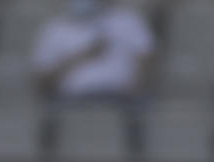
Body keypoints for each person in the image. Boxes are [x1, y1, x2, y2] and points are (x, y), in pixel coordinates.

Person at [30, 0, 156, 151]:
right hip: (70, 100)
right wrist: (80, 57)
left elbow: (147, 59)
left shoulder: (127, 20)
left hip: (120, 97)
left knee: (140, 113)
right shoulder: (55, 28)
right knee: (47, 118)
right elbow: (42, 80)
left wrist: (136, 86)